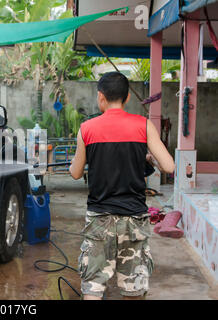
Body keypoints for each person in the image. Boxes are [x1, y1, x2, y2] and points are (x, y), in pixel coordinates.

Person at [69, 72, 175, 300]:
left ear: (101, 97)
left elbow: (76, 173)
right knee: (133, 289)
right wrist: (149, 158)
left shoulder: (87, 128)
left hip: (99, 218)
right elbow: (169, 166)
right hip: (134, 219)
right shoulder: (143, 125)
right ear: (127, 98)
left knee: (93, 289)